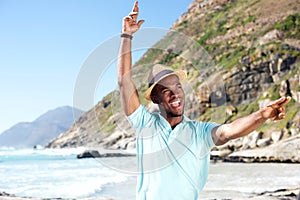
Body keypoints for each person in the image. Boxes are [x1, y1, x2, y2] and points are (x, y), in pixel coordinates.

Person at [117, 1, 291, 200]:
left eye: (178, 87)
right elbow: (124, 81)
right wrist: (127, 36)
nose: (175, 94)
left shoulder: (199, 132)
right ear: (155, 98)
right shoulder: (145, 124)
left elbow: (229, 131)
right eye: (166, 90)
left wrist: (262, 115)